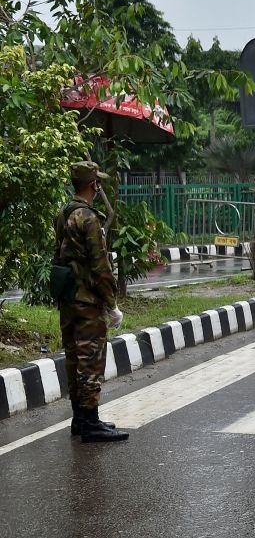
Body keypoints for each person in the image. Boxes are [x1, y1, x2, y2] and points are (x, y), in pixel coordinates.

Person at [52, 161, 129, 443]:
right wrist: (111, 303)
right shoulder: (89, 218)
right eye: (98, 182)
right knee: (90, 360)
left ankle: (80, 419)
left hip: (68, 296)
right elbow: (100, 266)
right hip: (87, 299)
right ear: (93, 185)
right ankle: (91, 422)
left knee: (73, 357)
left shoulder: (63, 213)